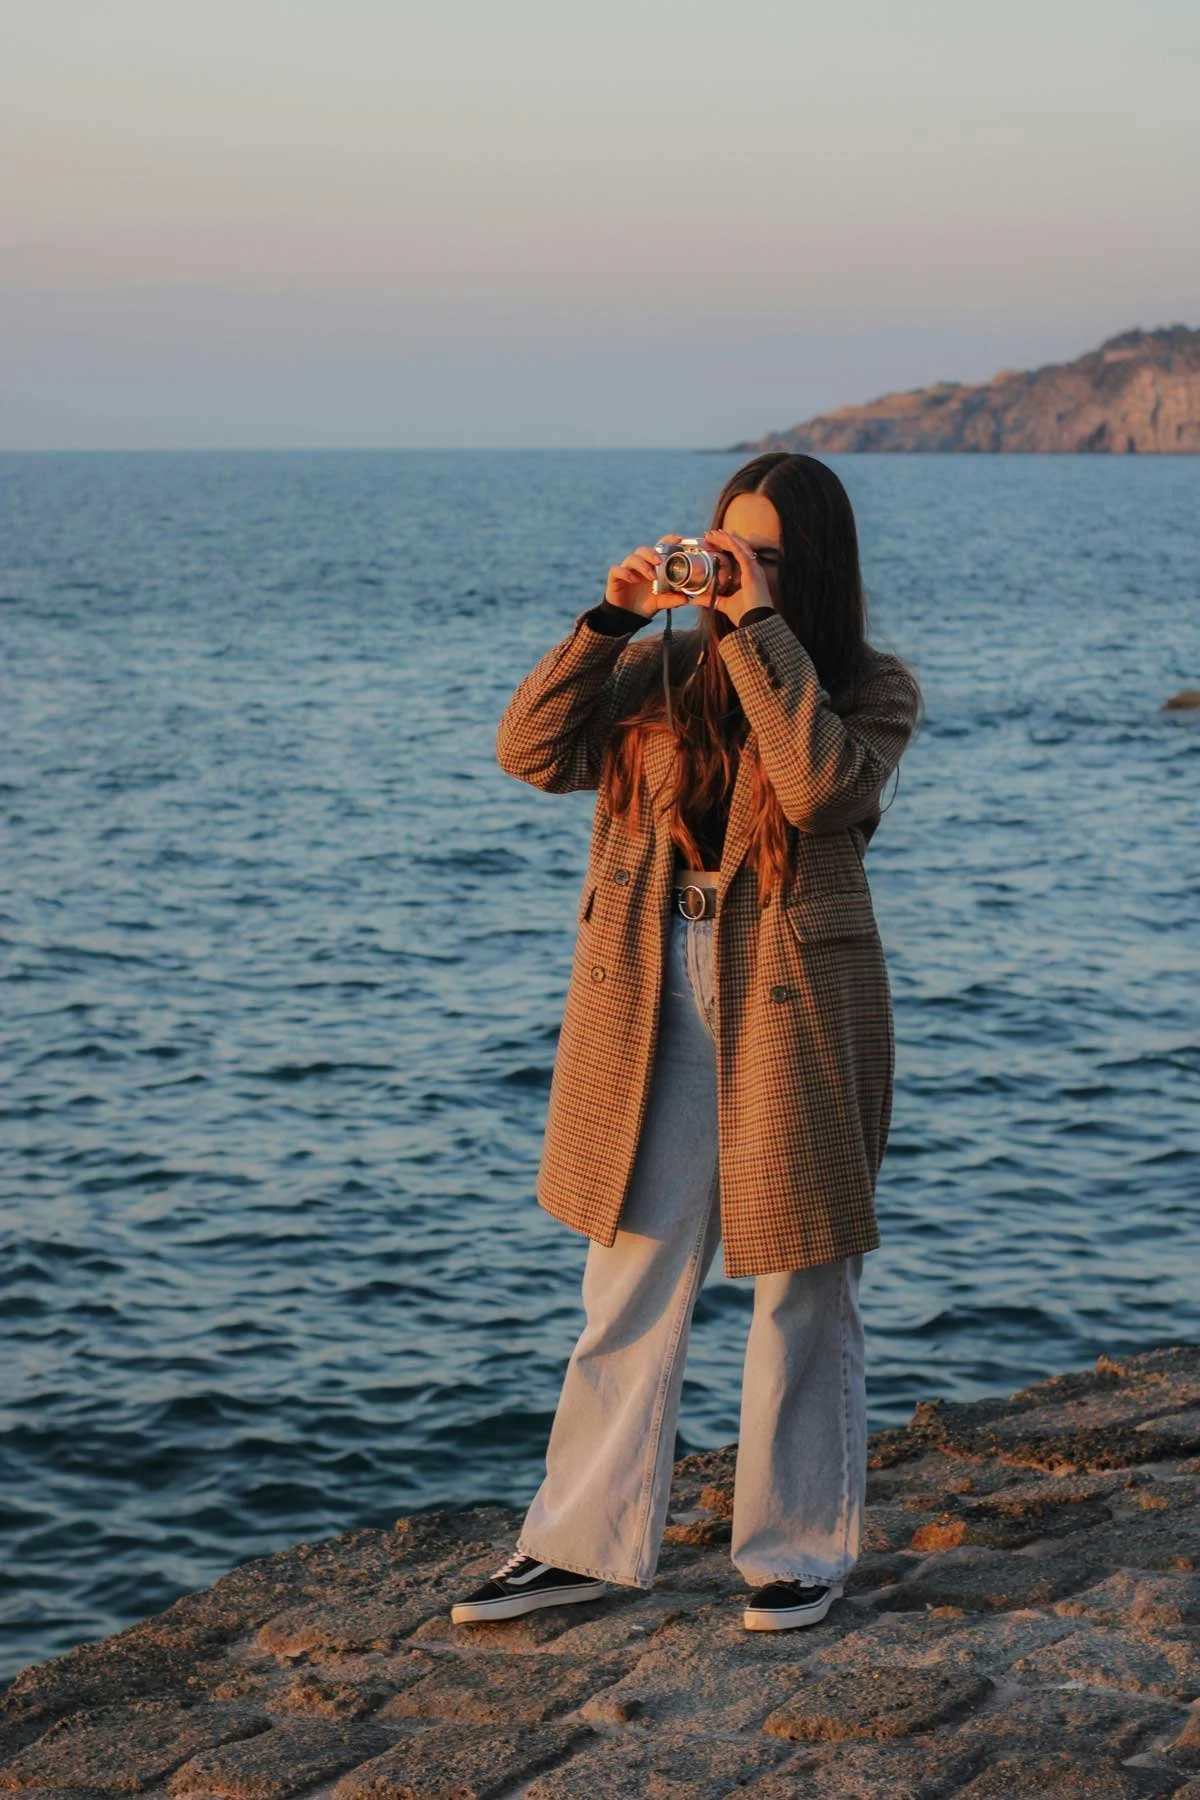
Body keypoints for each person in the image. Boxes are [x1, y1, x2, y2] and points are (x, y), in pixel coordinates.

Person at [451, 452, 924, 1632]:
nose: (736, 572)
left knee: (804, 1283)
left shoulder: (868, 687)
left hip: (794, 996)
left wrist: (756, 626)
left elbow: (818, 792)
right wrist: (614, 617)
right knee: (629, 1273)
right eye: (728, 549)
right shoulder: (656, 669)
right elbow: (526, 751)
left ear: (810, 571)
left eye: (766, 557)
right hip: (652, 981)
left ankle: (798, 1551)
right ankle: (579, 1544)